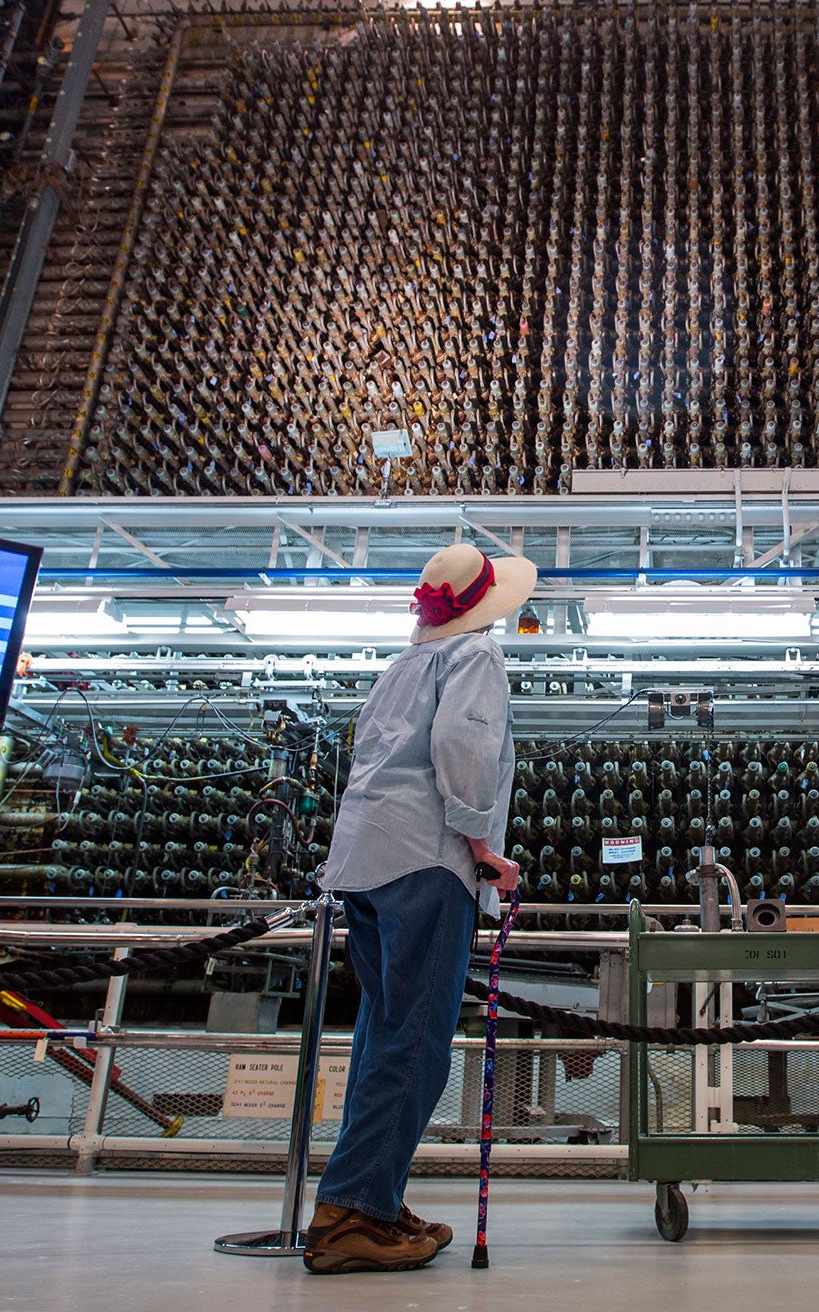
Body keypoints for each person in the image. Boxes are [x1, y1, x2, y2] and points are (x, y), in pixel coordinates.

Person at [302, 541, 536, 1275]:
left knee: (382, 1036)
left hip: (365, 863)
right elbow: (462, 746)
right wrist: (482, 847)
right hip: (427, 862)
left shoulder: (405, 665)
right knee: (414, 1045)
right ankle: (350, 1216)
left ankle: (369, 1195)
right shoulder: (476, 657)